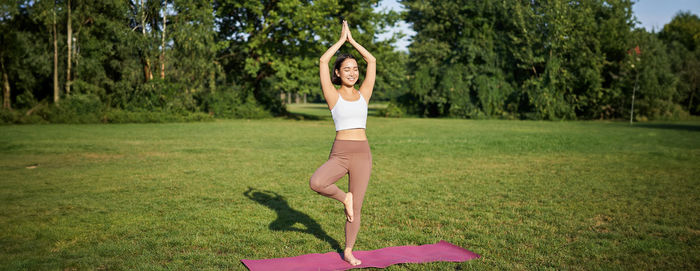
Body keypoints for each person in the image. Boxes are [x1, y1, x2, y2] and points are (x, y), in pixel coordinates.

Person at [309, 20, 376, 266]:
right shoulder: (332, 94)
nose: (352, 72)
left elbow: (373, 61)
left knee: (356, 208)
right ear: (338, 73)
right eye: (346, 68)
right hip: (340, 153)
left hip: (362, 154)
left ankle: (348, 250)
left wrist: (353, 41)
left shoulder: (364, 94)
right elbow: (323, 61)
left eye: (354, 68)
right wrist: (340, 41)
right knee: (317, 182)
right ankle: (343, 198)